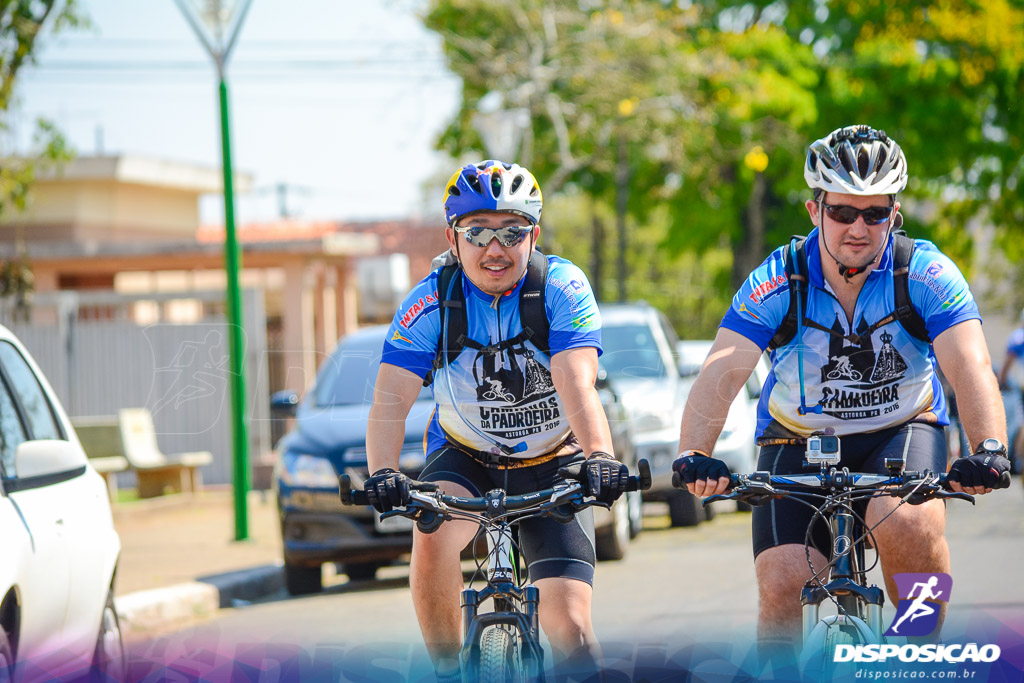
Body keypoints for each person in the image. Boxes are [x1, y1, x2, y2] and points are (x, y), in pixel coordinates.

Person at [673, 125, 1011, 656]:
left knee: (908, 527)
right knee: (783, 580)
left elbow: (970, 360)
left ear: (893, 216)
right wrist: (695, 453)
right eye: (842, 212)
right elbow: (722, 367)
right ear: (815, 211)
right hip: (796, 439)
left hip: (900, 428)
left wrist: (988, 446)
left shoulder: (924, 272)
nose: (859, 227)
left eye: (875, 213)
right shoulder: (778, 279)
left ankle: (918, 652)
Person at [363, 160, 627, 681]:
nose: (495, 248)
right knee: (432, 532)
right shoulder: (431, 301)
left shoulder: (562, 288)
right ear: (452, 238)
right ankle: (447, 670)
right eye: (477, 231)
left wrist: (600, 456)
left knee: (570, 628)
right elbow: (391, 398)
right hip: (466, 455)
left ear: (534, 234)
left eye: (512, 231)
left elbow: (577, 380)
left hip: (554, 459)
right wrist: (382, 473)